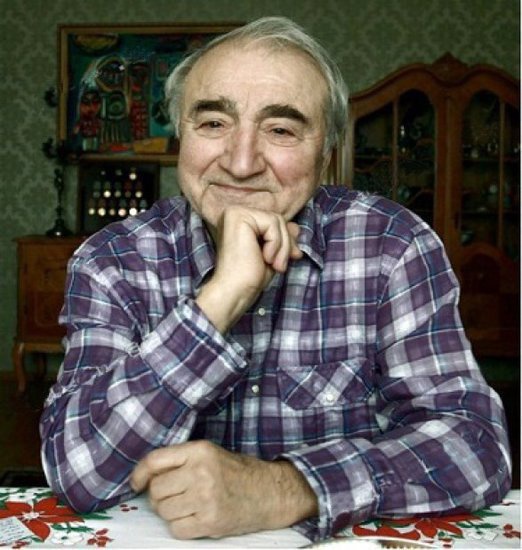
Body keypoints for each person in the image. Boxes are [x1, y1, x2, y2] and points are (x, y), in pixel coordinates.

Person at [40, 16, 511, 543]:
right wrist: (219, 300)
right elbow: (76, 471)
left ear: (326, 152)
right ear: (181, 137)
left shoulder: (392, 245)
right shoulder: (111, 261)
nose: (241, 163)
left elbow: (476, 447)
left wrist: (286, 488)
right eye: (213, 123)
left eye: (281, 130)